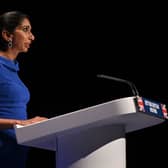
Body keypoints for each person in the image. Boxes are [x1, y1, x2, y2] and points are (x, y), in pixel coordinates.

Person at [0, 11, 48, 168]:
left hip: (16, 156)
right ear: (8, 35)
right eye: (26, 30)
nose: (32, 37)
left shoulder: (13, 69)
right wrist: (22, 123)